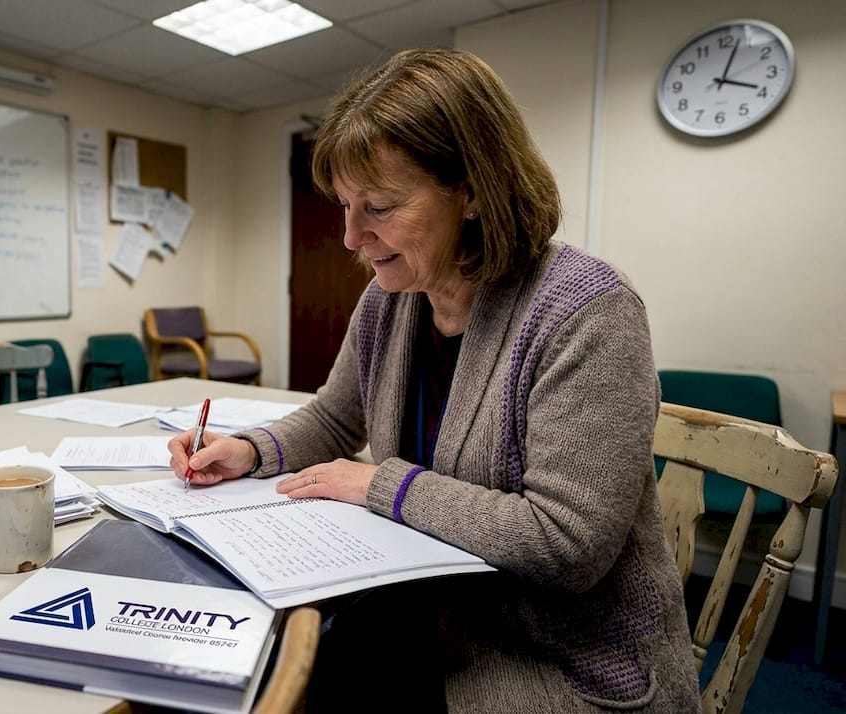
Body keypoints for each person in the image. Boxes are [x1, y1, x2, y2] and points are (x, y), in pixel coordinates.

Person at [168, 48, 699, 712]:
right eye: (345, 205)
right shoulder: (391, 298)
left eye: (379, 207)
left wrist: (381, 485)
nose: (350, 236)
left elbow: (568, 544)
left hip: (560, 663)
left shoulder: (587, 312)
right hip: (431, 613)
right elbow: (335, 416)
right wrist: (248, 450)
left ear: (472, 191)